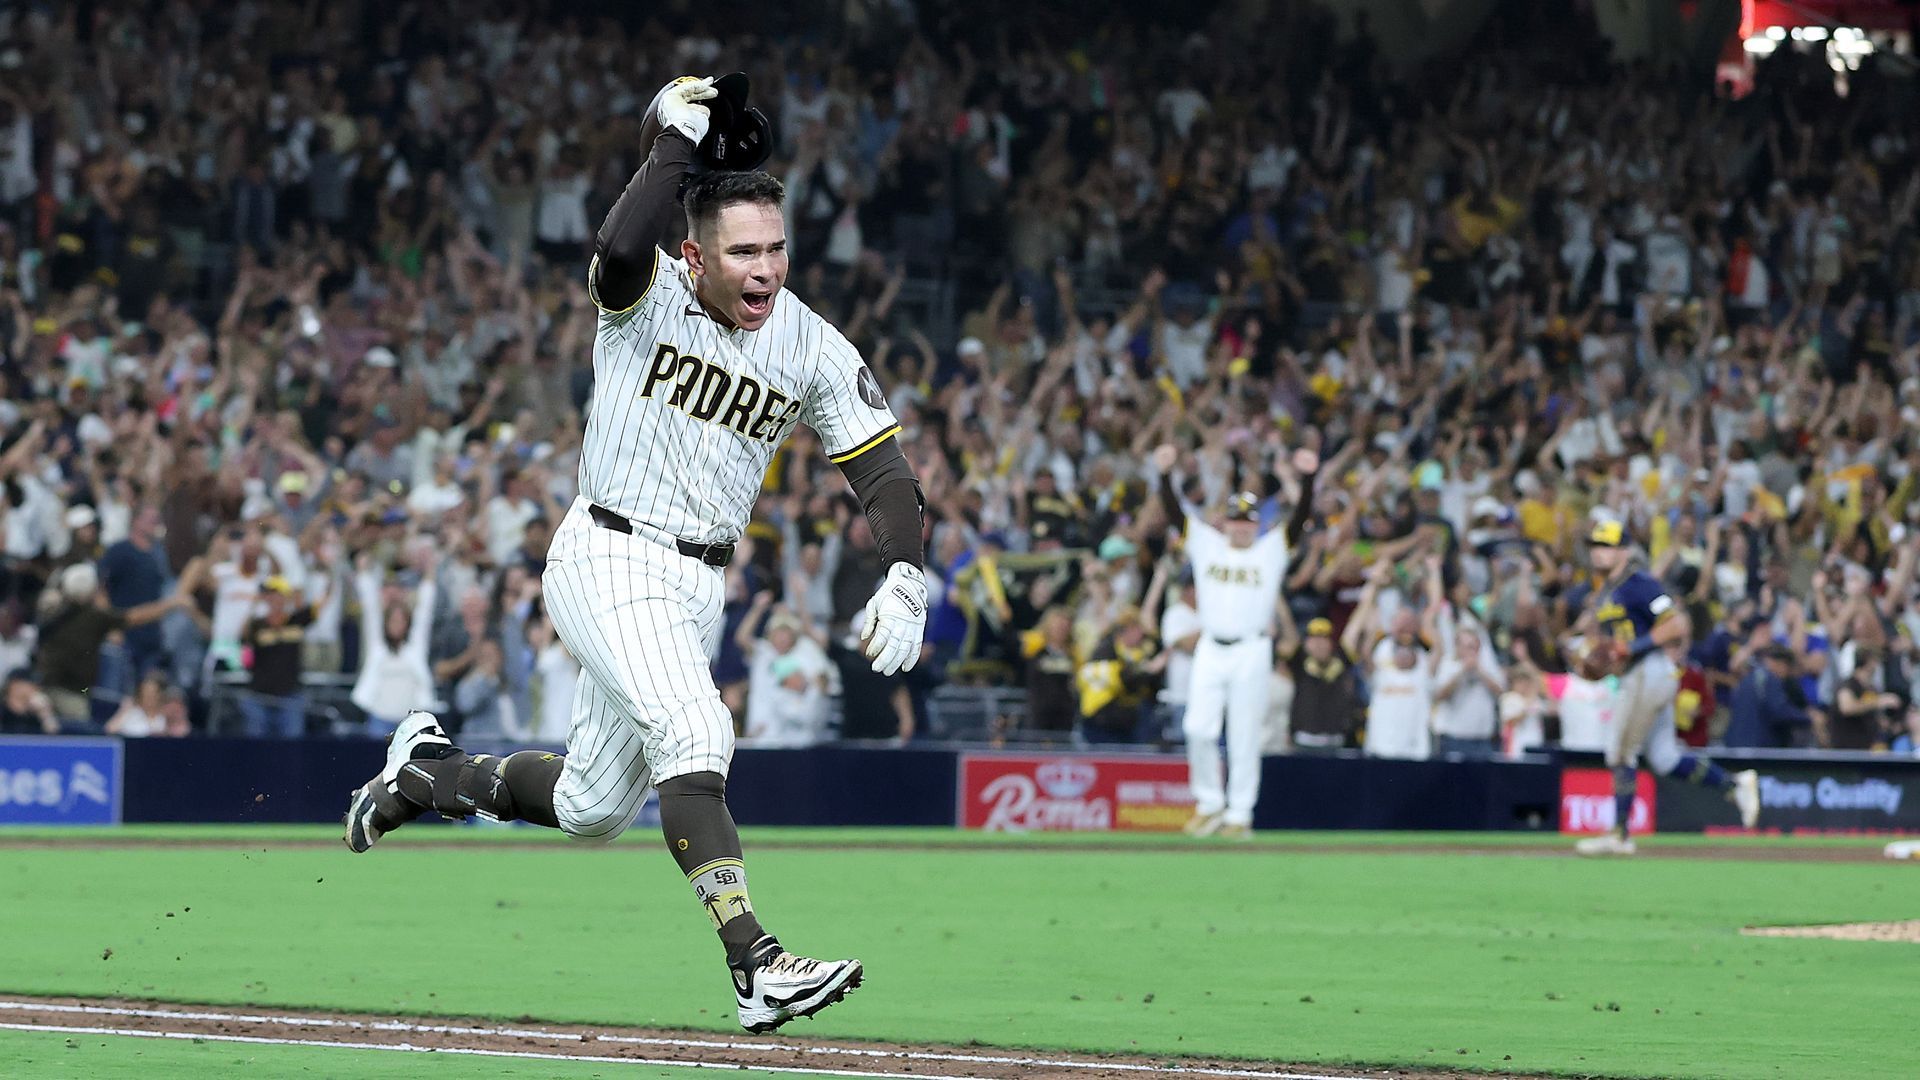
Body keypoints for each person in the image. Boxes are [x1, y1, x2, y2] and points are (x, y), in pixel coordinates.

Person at [342, 75, 926, 1034]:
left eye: (778, 248)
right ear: (694, 252)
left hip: (698, 584)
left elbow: (884, 470)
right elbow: (617, 247)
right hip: (608, 552)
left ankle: (425, 773)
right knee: (698, 736)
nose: (766, 269)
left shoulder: (809, 343)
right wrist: (673, 145)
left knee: (589, 805)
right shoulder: (646, 297)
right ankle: (757, 965)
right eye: (743, 252)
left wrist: (906, 569)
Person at [1156, 439, 1317, 839]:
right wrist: (1162, 475)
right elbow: (1175, 513)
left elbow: (1300, 519)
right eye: (1235, 520)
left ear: (1257, 524)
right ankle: (1209, 804)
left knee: (1245, 734)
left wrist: (1309, 479)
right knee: (1197, 727)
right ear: (1224, 522)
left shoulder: (1270, 550)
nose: (1242, 526)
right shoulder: (1207, 545)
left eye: (1248, 520)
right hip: (1211, 646)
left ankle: (1240, 814)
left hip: (1251, 648)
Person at [1573, 520, 1760, 856]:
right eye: (1596, 545)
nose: (1599, 552)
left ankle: (1619, 834)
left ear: (1624, 550)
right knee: (1664, 757)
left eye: (1607, 545)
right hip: (1638, 672)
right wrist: (1602, 662)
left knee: (1619, 751)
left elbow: (1677, 623)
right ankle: (1736, 784)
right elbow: (1619, 645)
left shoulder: (1639, 582)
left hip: (1649, 671)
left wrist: (1632, 648)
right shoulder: (1607, 590)